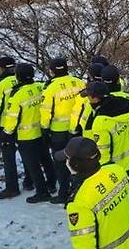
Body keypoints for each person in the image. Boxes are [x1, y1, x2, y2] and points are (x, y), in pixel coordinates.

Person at [83, 81, 129, 242]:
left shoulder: (101, 121)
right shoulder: (127, 104)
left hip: (115, 169)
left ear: (96, 99)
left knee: (121, 205)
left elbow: (103, 152)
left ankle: (128, 233)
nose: (88, 100)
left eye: (89, 97)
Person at [56, 136, 129, 249]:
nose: (66, 162)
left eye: (67, 159)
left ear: (75, 164)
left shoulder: (79, 202)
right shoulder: (117, 170)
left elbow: (84, 245)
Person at [2, 63, 56, 203]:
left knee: (33, 166)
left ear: (18, 76)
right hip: (42, 131)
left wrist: (7, 133)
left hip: (26, 136)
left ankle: (42, 191)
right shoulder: (40, 86)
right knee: (46, 159)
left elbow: (12, 117)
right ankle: (51, 183)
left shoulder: (17, 95)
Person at [40, 57, 85, 204]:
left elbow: (46, 111)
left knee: (60, 163)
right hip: (77, 129)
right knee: (78, 161)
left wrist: (44, 129)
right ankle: (80, 189)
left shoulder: (50, 88)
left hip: (58, 132)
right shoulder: (79, 82)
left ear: (52, 71)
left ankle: (64, 193)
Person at [0, 56, 34, 197]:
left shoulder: (0, 84)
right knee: (27, 154)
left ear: (2, 68)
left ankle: (12, 188)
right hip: (25, 124)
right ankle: (30, 181)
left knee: (9, 158)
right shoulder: (22, 78)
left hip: (8, 125)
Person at [69, 63, 104, 138]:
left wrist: (73, 132)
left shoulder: (85, 95)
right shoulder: (107, 90)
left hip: (88, 136)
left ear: (91, 77)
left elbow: (77, 115)